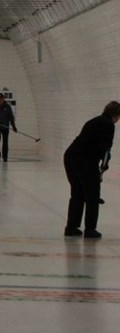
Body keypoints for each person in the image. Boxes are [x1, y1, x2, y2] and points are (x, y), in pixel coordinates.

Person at [63, 101, 120, 239]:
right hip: (85, 161)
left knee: (77, 193)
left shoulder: (93, 121)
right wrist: (104, 165)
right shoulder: (108, 125)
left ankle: (71, 227)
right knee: (92, 196)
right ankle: (90, 229)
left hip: (71, 157)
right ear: (116, 115)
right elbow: (105, 149)